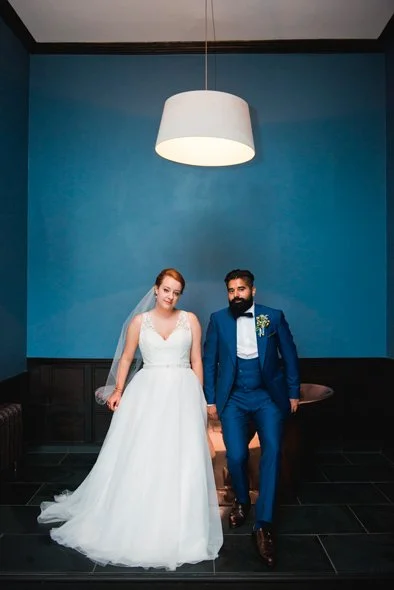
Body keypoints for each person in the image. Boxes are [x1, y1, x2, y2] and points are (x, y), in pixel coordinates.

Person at [37, 268, 223, 570]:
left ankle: (180, 523)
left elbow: (197, 360)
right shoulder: (140, 322)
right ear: (155, 289)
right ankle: (139, 514)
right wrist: (119, 390)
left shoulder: (190, 320)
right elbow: (126, 358)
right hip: (147, 392)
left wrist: (200, 398)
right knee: (143, 454)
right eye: (166, 290)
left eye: (176, 292)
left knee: (180, 456)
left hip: (182, 392)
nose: (170, 296)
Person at [203, 269, 300, 567]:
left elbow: (290, 354)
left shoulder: (273, 316)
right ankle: (242, 500)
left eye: (241, 289)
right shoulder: (218, 319)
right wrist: (210, 399)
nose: (236, 295)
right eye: (231, 290)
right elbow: (209, 361)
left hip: (268, 397)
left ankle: (264, 524)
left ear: (253, 291)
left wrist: (293, 392)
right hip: (233, 398)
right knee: (235, 456)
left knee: (272, 450)